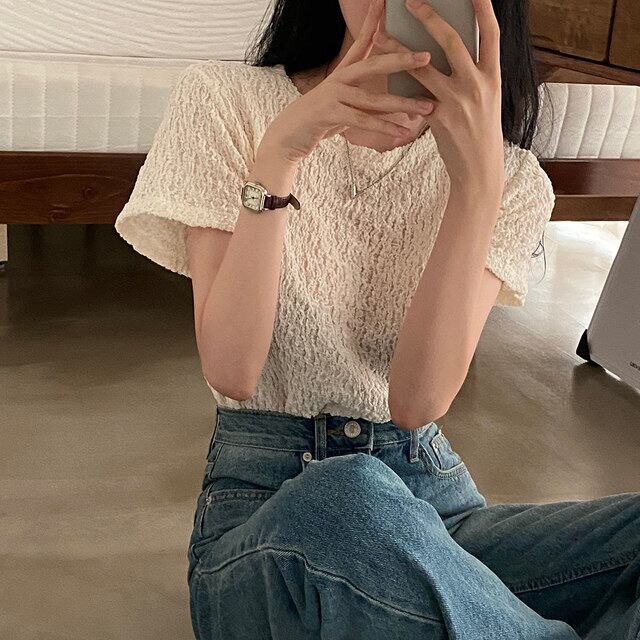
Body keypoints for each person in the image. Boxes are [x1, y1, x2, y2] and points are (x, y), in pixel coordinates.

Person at [114, 0, 640, 637]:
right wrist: (281, 151)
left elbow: (416, 402)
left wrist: (477, 186)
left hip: (431, 505)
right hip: (268, 516)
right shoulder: (224, 101)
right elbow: (233, 371)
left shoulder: (513, 178)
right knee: (347, 495)